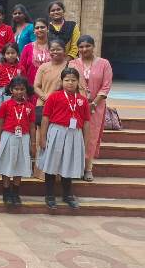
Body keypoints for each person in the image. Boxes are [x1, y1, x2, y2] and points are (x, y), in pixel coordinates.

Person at [39, 68, 90, 209]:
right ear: (61, 81)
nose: (70, 83)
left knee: (69, 163)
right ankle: (49, 195)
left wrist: (85, 141)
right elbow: (45, 118)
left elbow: (86, 122)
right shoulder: (54, 97)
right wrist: (42, 138)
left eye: (73, 80)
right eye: (67, 80)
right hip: (56, 131)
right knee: (51, 164)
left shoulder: (82, 100)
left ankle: (67, 195)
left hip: (74, 134)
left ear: (78, 82)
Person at [70, 35, 113, 182]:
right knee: (75, 134)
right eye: (81, 47)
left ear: (93, 46)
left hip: (96, 107)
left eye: (87, 46)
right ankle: (75, 167)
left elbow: (106, 86)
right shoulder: (73, 64)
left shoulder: (104, 63)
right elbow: (69, 83)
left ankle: (88, 168)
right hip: (75, 106)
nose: (84, 49)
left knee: (91, 136)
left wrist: (93, 103)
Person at [0, 76, 36, 206]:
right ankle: (6, 192)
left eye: (22, 89)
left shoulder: (30, 107)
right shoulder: (5, 105)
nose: (19, 91)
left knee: (20, 165)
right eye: (16, 89)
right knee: (6, 165)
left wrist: (33, 144)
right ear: (11, 90)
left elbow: (32, 127)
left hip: (23, 137)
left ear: (26, 90)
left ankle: (15, 193)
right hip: (8, 136)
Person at [33, 39, 69, 126]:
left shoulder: (70, 66)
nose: (55, 52)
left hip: (61, 105)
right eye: (52, 50)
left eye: (58, 49)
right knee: (42, 130)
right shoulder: (43, 67)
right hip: (43, 105)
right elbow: (36, 86)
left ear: (64, 51)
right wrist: (45, 98)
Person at [0, 42, 23, 134]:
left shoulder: (20, 67)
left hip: (16, 92)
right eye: (8, 53)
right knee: (1, 112)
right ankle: (0, 132)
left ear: (17, 54)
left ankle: (12, 129)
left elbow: (23, 82)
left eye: (13, 53)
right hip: (1, 92)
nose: (10, 55)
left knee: (14, 112)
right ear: (4, 55)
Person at [19, 18, 50, 86]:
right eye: (37, 28)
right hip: (31, 86)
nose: (39, 29)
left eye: (42, 27)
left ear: (48, 29)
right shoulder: (27, 48)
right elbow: (22, 68)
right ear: (34, 31)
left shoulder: (54, 47)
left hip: (51, 86)